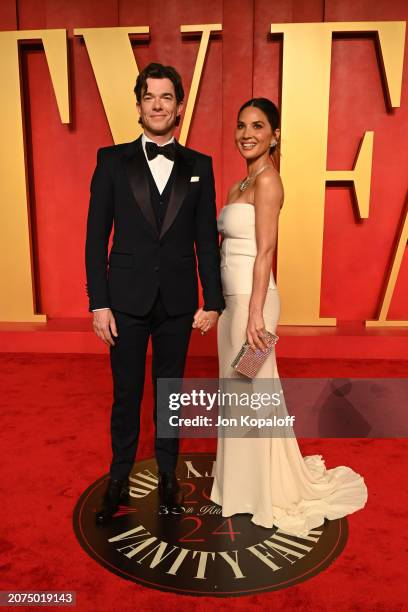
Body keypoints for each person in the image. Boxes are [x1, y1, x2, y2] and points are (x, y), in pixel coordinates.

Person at [194, 98, 368, 537]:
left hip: (258, 306)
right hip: (234, 304)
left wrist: (254, 313)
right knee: (237, 394)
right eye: (240, 125)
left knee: (252, 389)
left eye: (257, 126)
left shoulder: (269, 182)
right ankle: (239, 487)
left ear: (274, 135)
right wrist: (213, 303)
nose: (246, 133)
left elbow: (266, 249)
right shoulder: (238, 185)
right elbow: (222, 251)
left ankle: (264, 489)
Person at [85, 62, 224, 525]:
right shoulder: (111, 160)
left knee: (170, 393)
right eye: (150, 97)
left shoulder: (200, 165)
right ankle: (119, 478)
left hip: (178, 302)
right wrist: (99, 302)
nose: (158, 105)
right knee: (125, 394)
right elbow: (94, 237)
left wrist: (214, 300)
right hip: (124, 301)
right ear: (139, 104)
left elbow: (207, 238)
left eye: (167, 97)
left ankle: (167, 477)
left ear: (179, 106)